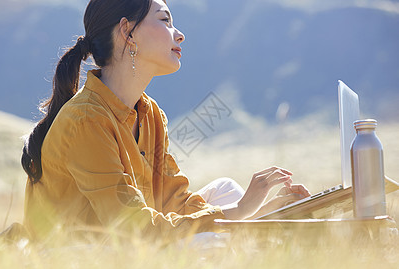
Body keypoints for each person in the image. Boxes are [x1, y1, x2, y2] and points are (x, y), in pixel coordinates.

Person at [21, 0, 310, 242]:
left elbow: (177, 202)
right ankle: (254, 243)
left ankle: (264, 232)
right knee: (209, 241)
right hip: (80, 257)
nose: (179, 34)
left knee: (224, 190)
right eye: (165, 20)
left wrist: (260, 211)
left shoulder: (151, 114)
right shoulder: (86, 119)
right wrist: (240, 212)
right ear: (128, 32)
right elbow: (133, 228)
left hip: (134, 240)